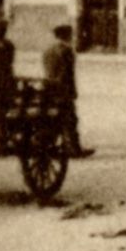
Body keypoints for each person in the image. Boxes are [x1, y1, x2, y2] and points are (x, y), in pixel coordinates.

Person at [41, 22, 95, 157]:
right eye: (70, 35)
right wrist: (73, 91)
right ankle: (74, 149)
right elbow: (68, 74)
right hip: (63, 90)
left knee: (51, 118)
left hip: (49, 88)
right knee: (70, 119)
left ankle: (49, 144)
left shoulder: (48, 50)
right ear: (66, 36)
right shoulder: (67, 51)